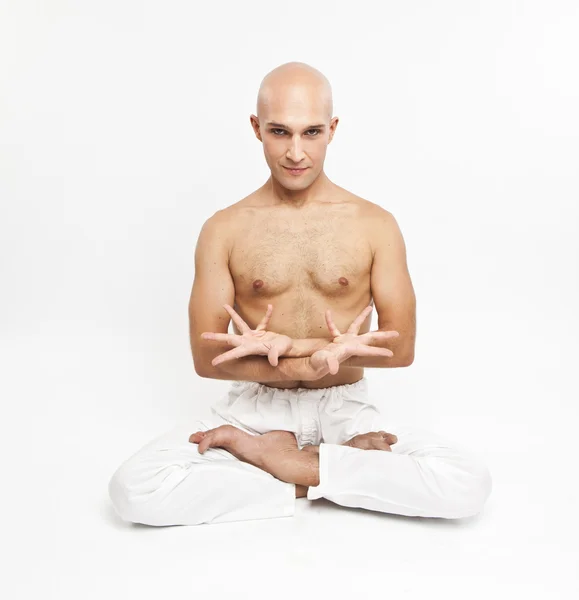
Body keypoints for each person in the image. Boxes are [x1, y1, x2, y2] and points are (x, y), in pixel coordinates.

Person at [108, 61, 492, 526]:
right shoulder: (224, 229)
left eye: (311, 132)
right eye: (279, 132)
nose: (295, 152)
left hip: (346, 411)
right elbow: (207, 359)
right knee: (135, 488)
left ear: (332, 129)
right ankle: (327, 471)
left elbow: (402, 347)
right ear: (256, 129)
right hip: (253, 410)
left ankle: (282, 468)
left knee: (466, 484)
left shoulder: (375, 224)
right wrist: (304, 366)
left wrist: (303, 350)